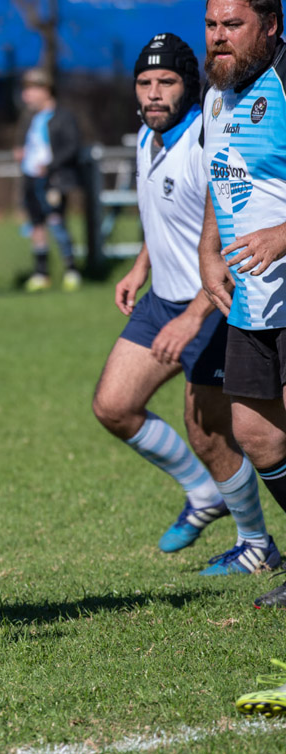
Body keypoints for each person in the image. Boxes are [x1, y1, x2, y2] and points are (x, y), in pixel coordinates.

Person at [93, 33, 276, 575]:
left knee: (208, 431)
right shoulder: (147, 139)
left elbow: (222, 228)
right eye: (145, 83)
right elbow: (169, 215)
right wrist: (141, 265)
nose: (153, 94)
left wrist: (195, 316)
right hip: (160, 301)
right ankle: (205, 496)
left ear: (189, 86)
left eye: (166, 83)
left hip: (212, 305)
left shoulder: (206, 138)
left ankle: (256, 545)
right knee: (113, 406)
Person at [199, 0, 286, 604]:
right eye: (211, 25)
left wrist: (283, 235)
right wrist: (209, 249)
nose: (218, 38)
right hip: (251, 295)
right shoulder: (219, 94)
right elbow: (222, 174)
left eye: (233, 25)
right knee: (255, 434)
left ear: (271, 25)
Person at [17, 68, 82, 292]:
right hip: (30, 177)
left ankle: (71, 270)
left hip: (54, 179)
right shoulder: (29, 117)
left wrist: (51, 166)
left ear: (46, 90)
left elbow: (72, 147)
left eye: (32, 89)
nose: (27, 95)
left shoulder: (63, 116)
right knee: (36, 225)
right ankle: (41, 273)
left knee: (57, 222)